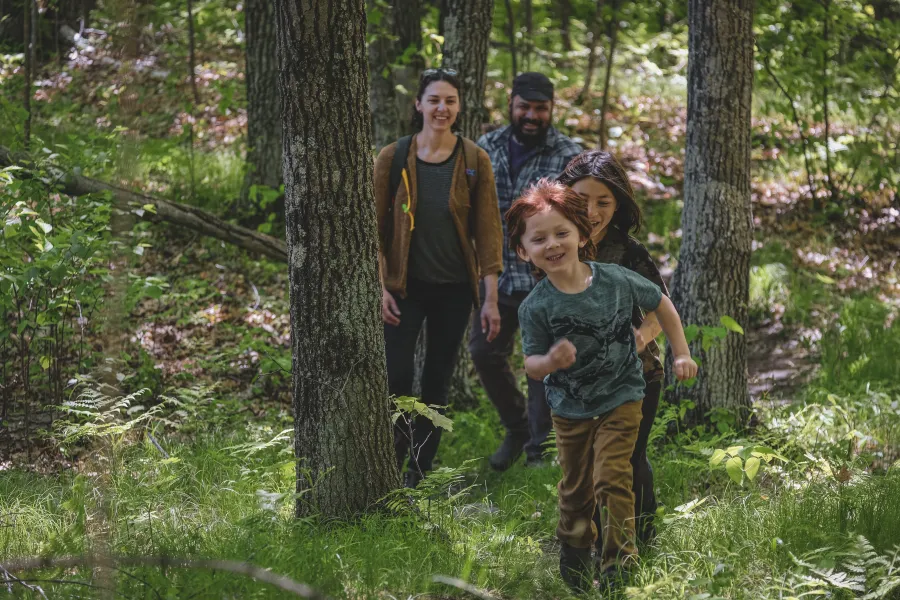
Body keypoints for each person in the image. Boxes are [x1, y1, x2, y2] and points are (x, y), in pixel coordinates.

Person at [506, 180, 697, 593]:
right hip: (570, 409)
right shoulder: (536, 306)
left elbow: (661, 302)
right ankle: (576, 552)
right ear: (523, 251)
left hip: (621, 396)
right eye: (539, 239)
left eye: (561, 232)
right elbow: (531, 364)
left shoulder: (615, 279)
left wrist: (681, 353)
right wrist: (550, 361)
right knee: (576, 491)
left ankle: (619, 566)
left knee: (613, 478)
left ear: (581, 234)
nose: (553, 244)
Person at [373, 68, 504, 489]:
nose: (441, 108)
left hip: (454, 291)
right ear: (419, 104)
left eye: (450, 100)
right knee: (396, 377)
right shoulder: (393, 157)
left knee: (437, 379)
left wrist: (490, 298)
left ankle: (420, 470)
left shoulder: (474, 160)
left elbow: (489, 232)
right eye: (433, 100)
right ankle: (390, 462)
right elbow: (372, 229)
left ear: (459, 106)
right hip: (403, 289)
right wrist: (380, 286)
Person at [470, 72, 582, 471]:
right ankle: (517, 428)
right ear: (511, 105)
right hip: (496, 278)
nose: (532, 116)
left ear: (551, 110)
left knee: (543, 365)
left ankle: (540, 450)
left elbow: (579, 220)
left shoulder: (569, 155)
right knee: (484, 353)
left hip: (547, 279)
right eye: (524, 107)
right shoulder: (486, 148)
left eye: (540, 108)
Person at [557, 150, 666, 550]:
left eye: (604, 202)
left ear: (618, 204)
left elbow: (661, 309)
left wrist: (636, 341)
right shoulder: (556, 244)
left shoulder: (628, 251)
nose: (592, 212)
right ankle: (589, 541)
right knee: (584, 463)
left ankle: (642, 539)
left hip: (636, 376)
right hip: (578, 379)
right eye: (582, 200)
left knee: (626, 460)